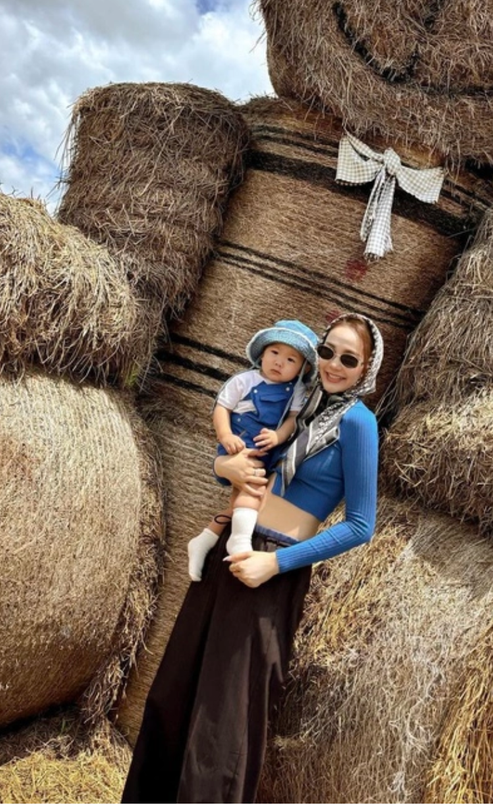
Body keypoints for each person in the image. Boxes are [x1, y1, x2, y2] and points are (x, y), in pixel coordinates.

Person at [122, 312, 382, 805]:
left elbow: (360, 525)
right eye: (327, 351)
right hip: (232, 547)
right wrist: (224, 462)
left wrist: (277, 565)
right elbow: (235, 464)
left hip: (271, 566)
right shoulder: (294, 399)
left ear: (366, 368)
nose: (333, 364)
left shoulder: (358, 423)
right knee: (177, 686)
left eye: (349, 359)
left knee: (225, 719)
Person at [187, 318, 319, 577]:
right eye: (274, 352)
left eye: (291, 360)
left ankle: (206, 538)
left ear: (303, 369)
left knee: (242, 502)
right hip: (241, 444)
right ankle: (239, 540)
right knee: (253, 488)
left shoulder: (297, 391)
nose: (280, 362)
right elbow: (221, 407)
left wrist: (279, 436)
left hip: (268, 448)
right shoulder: (245, 380)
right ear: (262, 353)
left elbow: (293, 419)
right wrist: (225, 435)